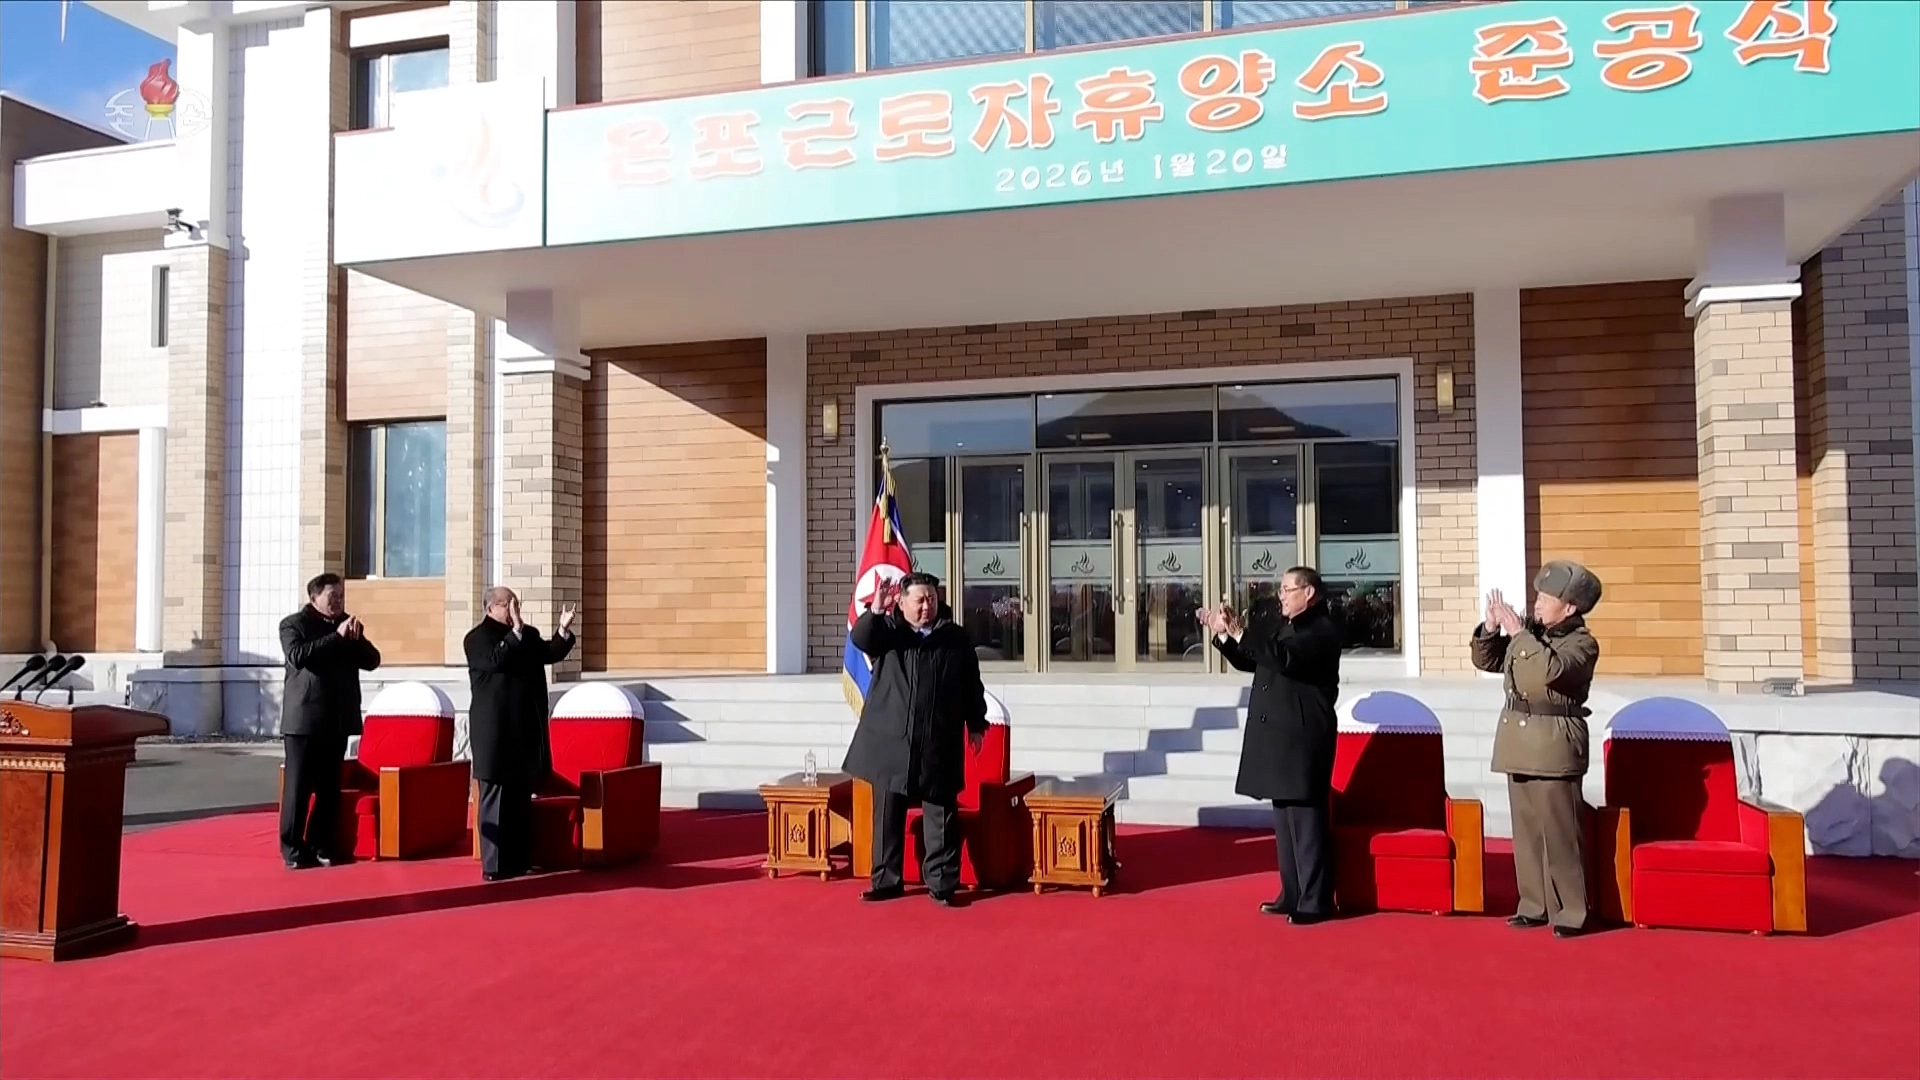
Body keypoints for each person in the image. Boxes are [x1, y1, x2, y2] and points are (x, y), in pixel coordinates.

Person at [1199, 567, 1343, 925]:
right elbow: (1254, 658)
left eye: (1287, 589)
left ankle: (1315, 899)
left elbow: (1284, 658)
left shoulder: (1319, 629)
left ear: (1308, 592)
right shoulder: (1287, 626)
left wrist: (1241, 632)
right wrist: (1226, 637)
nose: (1281, 596)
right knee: (1285, 818)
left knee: (1307, 821)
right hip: (1282, 735)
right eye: (1280, 590)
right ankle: (1292, 892)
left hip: (1304, 735)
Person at [1471, 561, 1602, 938]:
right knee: (1527, 832)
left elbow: (1549, 672)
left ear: (1570, 607)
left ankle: (1571, 911)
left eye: (1547, 598)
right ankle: (1533, 904)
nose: (1538, 604)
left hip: (1554, 742)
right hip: (1520, 742)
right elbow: (1489, 660)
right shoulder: (1530, 634)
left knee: (1560, 834)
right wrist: (1492, 629)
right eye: (1538, 596)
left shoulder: (1581, 643)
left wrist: (1518, 633)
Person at [842, 571, 988, 907]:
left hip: (938, 740)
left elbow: (971, 684)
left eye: (932, 599)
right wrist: (876, 609)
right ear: (903, 602)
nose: (927, 606)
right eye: (920, 600)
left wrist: (976, 723)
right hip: (893, 740)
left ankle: (942, 884)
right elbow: (863, 638)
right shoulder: (888, 633)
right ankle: (886, 881)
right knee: (887, 816)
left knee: (941, 816)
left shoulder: (954, 638)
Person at [464, 586, 578, 882]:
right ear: (491, 608)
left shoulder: (526, 635)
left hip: (523, 729)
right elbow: (494, 661)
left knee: (518, 800)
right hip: (495, 731)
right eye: (508, 604)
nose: (514, 609)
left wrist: (562, 630)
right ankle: (495, 865)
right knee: (495, 799)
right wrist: (513, 633)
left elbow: (549, 653)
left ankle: (518, 860)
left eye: (516, 603)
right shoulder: (477, 638)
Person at [278, 572, 381, 869]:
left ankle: (321, 844)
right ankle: (293, 850)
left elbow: (372, 660)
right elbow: (298, 656)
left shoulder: (348, 624)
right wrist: (335, 638)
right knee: (298, 789)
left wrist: (354, 639)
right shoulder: (294, 624)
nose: (337, 602)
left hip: (336, 720)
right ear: (314, 598)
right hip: (304, 721)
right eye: (331, 596)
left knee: (328, 789)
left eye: (341, 596)